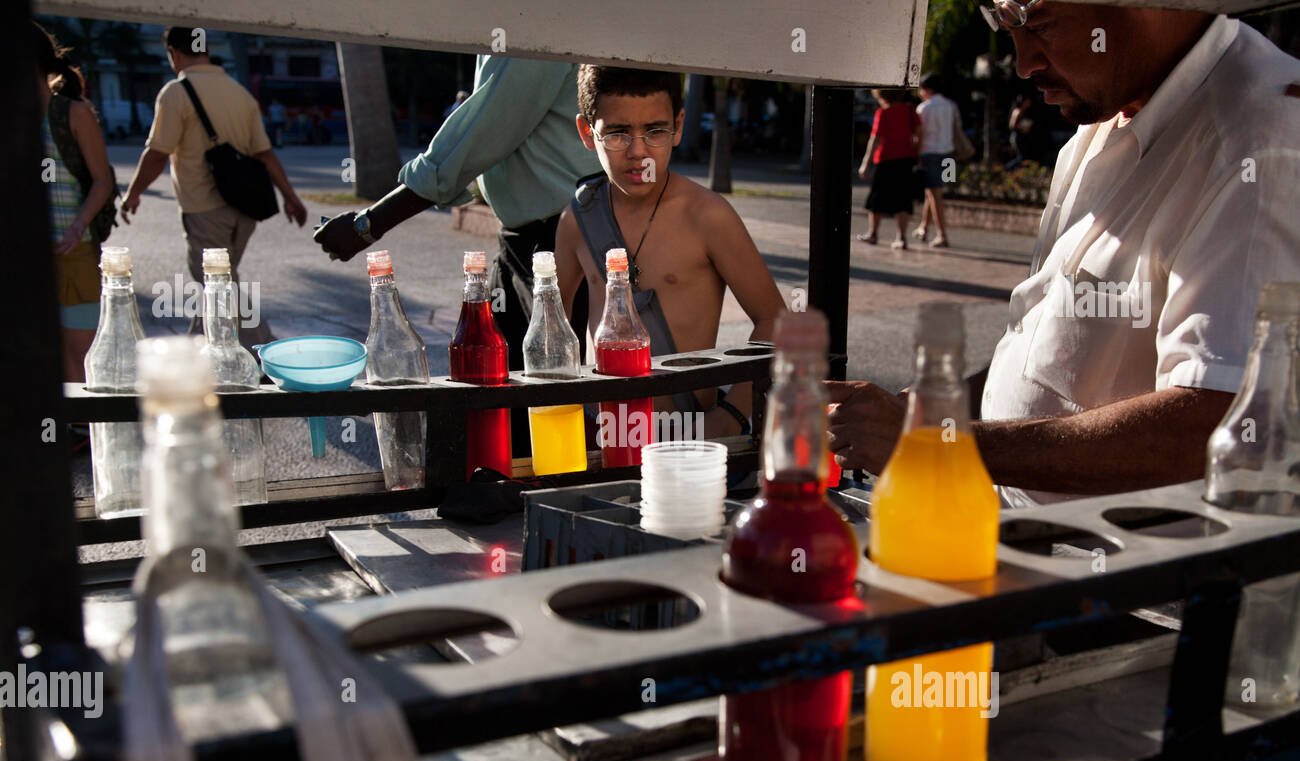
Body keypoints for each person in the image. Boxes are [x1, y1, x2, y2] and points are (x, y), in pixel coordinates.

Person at [828, 5, 1300, 507]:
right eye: (1008, 30)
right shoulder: (1107, 112)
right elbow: (1050, 352)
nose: (1023, 62)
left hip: (1123, 572)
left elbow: (1218, 422)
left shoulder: (1261, 141)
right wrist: (925, 415)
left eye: (1040, 25)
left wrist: (938, 442)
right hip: (1021, 535)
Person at [313, 56, 603, 450]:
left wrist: (371, 223)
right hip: (523, 237)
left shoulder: (528, 20)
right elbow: (497, 144)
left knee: (547, 388)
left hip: (559, 235)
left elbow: (485, 131)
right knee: (508, 389)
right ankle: (515, 487)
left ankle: (554, 489)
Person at [553, 65, 785, 437]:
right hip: (605, 433)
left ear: (678, 126)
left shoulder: (707, 215)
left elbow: (776, 321)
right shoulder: (577, 220)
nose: (638, 151)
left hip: (689, 430)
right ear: (586, 132)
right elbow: (554, 328)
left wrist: (731, 416)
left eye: (655, 131)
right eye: (617, 133)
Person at [122, 25, 307, 348]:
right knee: (220, 282)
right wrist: (291, 198)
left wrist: (133, 193)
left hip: (205, 209)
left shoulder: (176, 93)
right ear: (206, 49)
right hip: (246, 210)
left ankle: (264, 350)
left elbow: (157, 154)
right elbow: (264, 153)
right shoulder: (240, 93)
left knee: (219, 284)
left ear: (174, 54)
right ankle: (198, 350)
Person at [34, 21, 114, 385]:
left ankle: (81, 431)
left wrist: (78, 225)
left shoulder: (72, 113)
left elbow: (102, 179)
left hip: (74, 251)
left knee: (80, 350)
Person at [855, 89, 919, 249]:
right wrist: (917, 153)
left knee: (877, 198)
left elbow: (875, 139)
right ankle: (901, 237)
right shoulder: (910, 110)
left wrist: (865, 163)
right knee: (903, 199)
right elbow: (919, 132)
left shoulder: (883, 113)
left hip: (885, 159)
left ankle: (873, 233)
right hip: (906, 159)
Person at [912, 73, 958, 248]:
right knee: (933, 192)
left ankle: (942, 234)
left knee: (934, 194)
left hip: (930, 154)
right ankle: (923, 227)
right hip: (949, 153)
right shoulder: (950, 105)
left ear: (928, 89)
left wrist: (916, 155)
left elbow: (919, 135)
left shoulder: (923, 108)